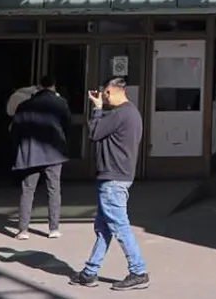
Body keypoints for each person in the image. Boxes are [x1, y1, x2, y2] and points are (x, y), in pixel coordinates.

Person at [70, 76, 149, 290]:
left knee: (120, 227)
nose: (103, 98)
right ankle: (90, 272)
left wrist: (96, 109)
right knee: (104, 228)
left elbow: (94, 132)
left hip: (113, 178)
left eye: (105, 94)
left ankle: (138, 271)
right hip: (119, 176)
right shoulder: (131, 113)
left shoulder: (120, 113)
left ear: (111, 92)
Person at [10, 74, 71, 240]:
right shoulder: (60, 103)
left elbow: (16, 130)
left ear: (38, 86)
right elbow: (67, 125)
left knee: (28, 190)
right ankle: (54, 228)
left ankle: (23, 229)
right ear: (53, 86)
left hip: (30, 153)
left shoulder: (24, 105)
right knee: (54, 189)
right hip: (54, 153)